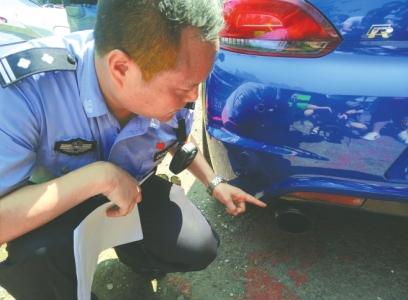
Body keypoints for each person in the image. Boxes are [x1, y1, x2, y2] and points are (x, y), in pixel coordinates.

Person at [0, 0, 267, 299]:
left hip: (134, 191)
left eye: (198, 85)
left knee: (199, 246)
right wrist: (101, 177)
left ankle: (137, 258)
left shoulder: (173, 79)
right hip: (56, 204)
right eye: (183, 89)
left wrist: (214, 182)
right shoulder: (25, 90)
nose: (192, 97)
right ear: (120, 68)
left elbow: (178, 137)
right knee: (35, 264)